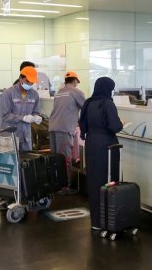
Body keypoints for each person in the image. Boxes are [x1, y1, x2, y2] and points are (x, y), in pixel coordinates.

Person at [79, 77, 123, 230]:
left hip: (91, 144)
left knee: (94, 181)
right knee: (109, 180)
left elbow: (82, 123)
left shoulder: (88, 102)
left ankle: (96, 222)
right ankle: (109, 220)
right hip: (107, 146)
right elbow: (115, 126)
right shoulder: (107, 103)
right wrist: (121, 123)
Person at [48, 71, 86, 193]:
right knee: (65, 158)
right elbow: (85, 109)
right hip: (64, 129)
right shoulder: (77, 92)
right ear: (75, 81)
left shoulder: (59, 92)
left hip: (52, 127)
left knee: (54, 158)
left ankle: (55, 184)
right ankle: (65, 187)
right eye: (76, 83)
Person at [1, 66, 42, 152]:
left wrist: (36, 117)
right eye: (28, 81)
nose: (30, 84)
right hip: (11, 136)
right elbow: (6, 115)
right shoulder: (8, 93)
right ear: (20, 78)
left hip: (26, 136)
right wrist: (22, 118)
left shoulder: (34, 94)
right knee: (11, 162)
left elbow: (36, 112)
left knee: (27, 162)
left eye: (32, 83)